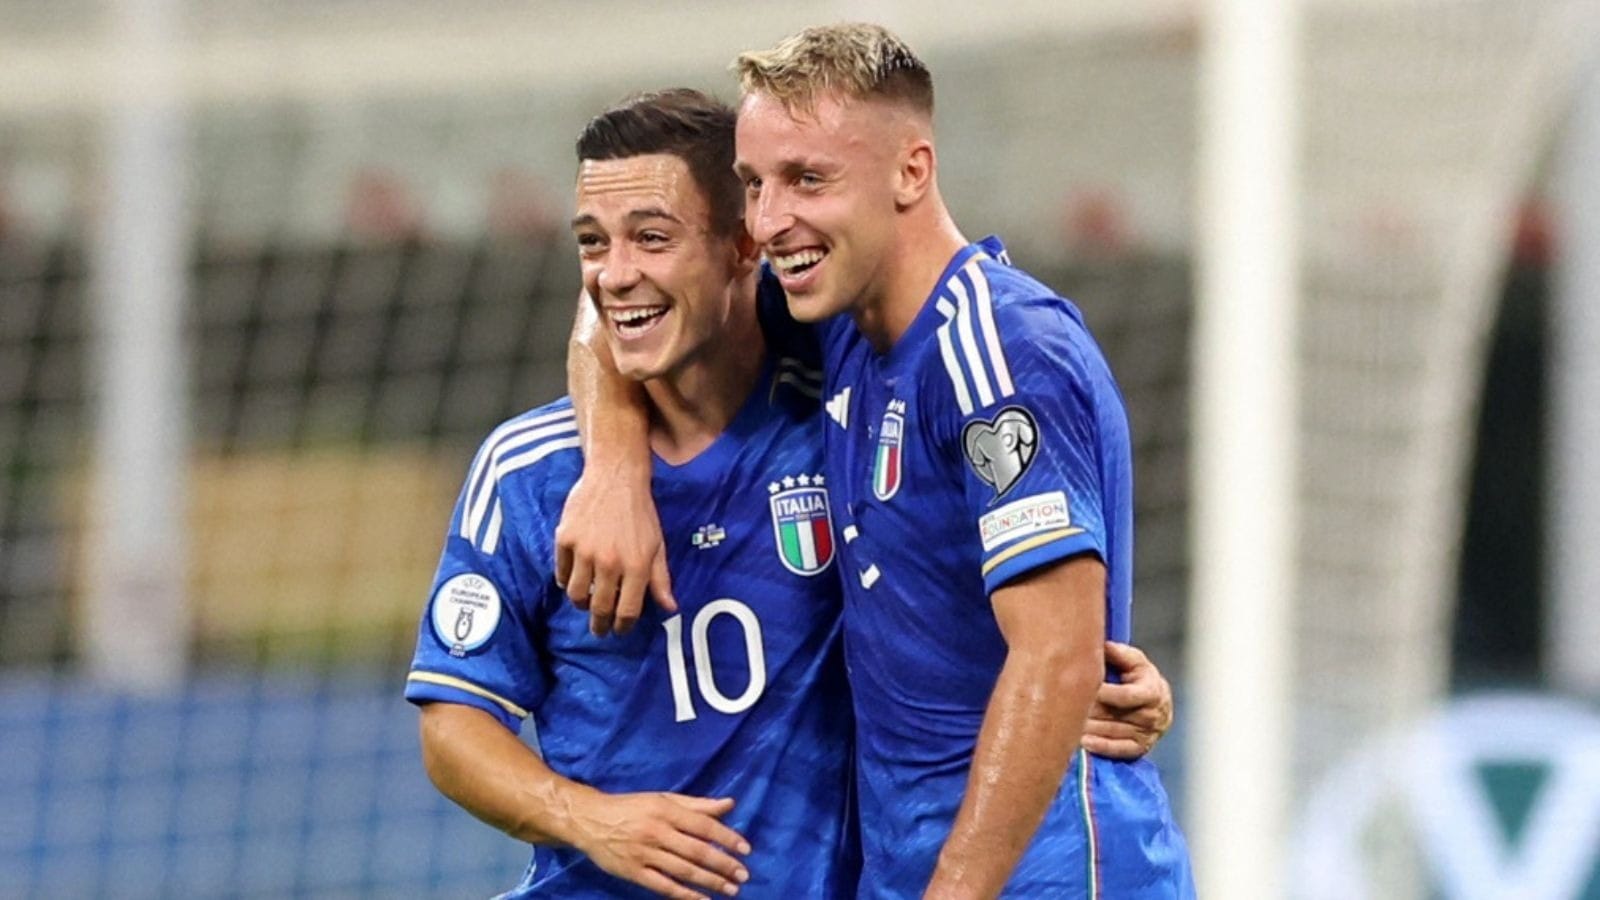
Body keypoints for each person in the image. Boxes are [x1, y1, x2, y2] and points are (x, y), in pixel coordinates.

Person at [409, 88, 1174, 900]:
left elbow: (960, 590)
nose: (616, 273)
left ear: (746, 246)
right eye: (592, 243)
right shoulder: (527, 472)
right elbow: (453, 729)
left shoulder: (843, 406)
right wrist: (594, 819)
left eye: (653, 238)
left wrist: (1083, 675)